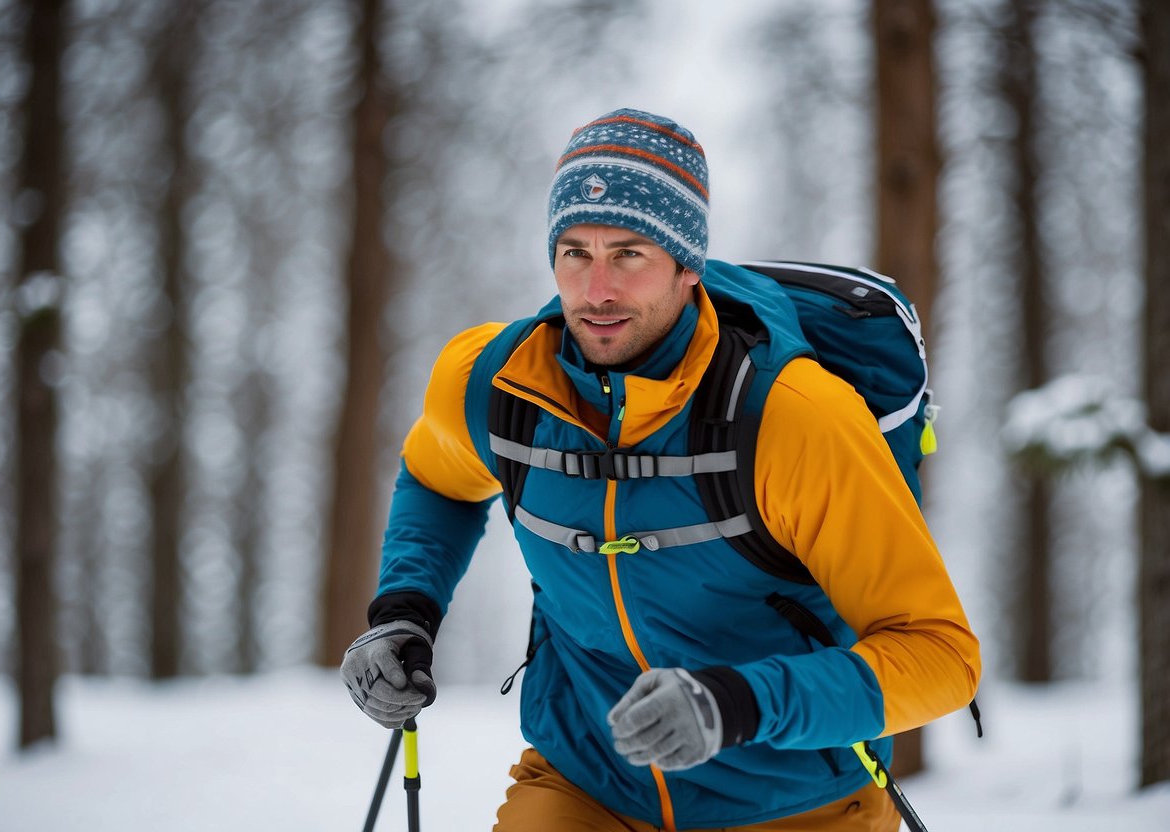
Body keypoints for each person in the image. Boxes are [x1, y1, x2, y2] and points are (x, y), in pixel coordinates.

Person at [340, 108, 981, 832]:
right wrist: (403, 614)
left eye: (630, 253)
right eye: (574, 252)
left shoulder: (794, 417)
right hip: (587, 783)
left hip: (793, 799)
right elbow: (435, 481)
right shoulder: (496, 385)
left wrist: (734, 704)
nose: (597, 289)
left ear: (687, 267)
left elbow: (937, 655)